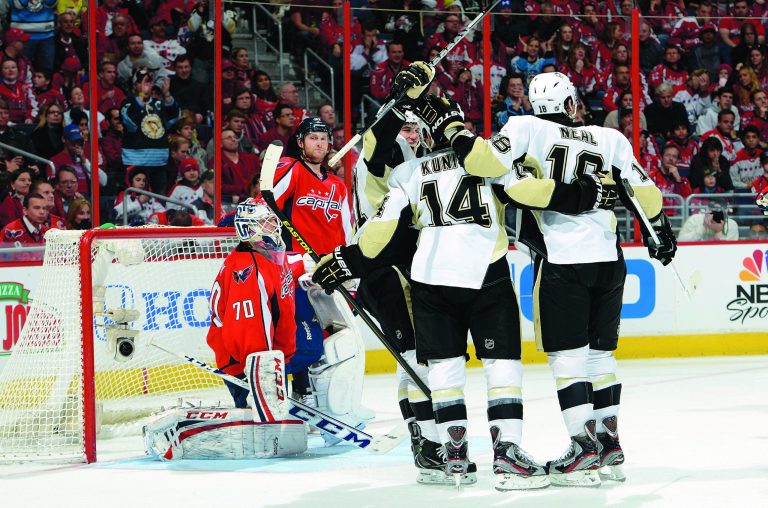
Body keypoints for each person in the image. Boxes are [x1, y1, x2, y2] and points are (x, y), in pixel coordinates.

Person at [311, 88, 618, 489]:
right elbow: (532, 195)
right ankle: (507, 456)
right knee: (502, 366)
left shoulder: (407, 172)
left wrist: (345, 260)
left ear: (427, 133)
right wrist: (589, 194)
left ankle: (453, 456)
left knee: (443, 367)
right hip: (486, 275)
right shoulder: (490, 164)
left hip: (429, 279)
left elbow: (381, 232)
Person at [378, 73, 669, 487]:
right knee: (601, 356)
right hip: (610, 256)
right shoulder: (611, 138)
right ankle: (608, 443)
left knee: (568, 359)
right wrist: (661, 231)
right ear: (572, 104)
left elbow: (484, 165)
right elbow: (648, 196)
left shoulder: (524, 127)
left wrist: (453, 127)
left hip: (561, 259)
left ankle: (583, 449)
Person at [206, 198, 297, 408]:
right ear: (249, 229)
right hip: (248, 367)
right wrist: (262, 371)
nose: (273, 225)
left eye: (272, 220)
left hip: (271, 359)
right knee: (263, 422)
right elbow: (249, 330)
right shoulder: (246, 271)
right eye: (265, 222)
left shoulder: (267, 254)